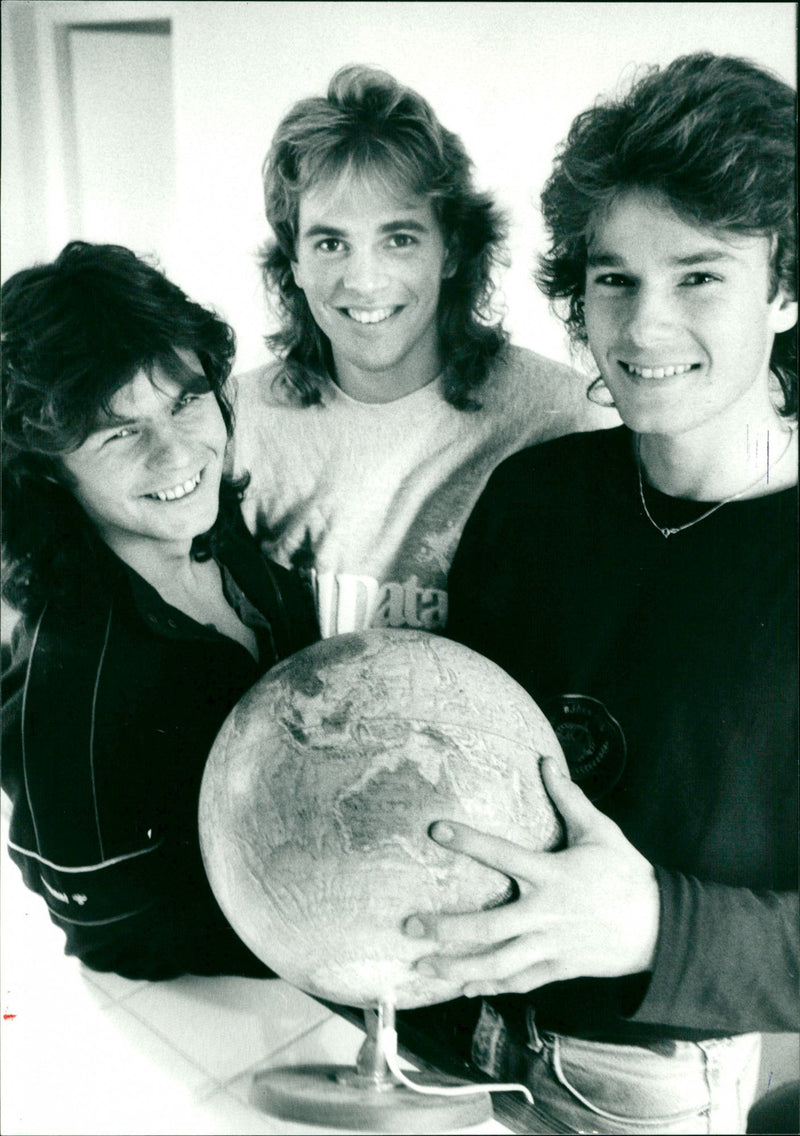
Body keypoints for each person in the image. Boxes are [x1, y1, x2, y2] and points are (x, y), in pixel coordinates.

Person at [401, 53, 798, 1134]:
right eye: (612, 278)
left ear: (786, 285)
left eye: (698, 274)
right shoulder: (534, 494)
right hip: (445, 1022)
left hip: (642, 1080)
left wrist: (652, 928)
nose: (640, 329)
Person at [1, 242, 318, 981]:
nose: (177, 456)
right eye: (119, 432)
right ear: (48, 463)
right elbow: (109, 935)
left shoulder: (219, 530)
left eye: (185, 402)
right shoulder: (68, 681)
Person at [232, 64, 617, 638]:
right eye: (331, 242)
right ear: (294, 262)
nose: (363, 281)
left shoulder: (559, 416)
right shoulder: (240, 421)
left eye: (399, 239)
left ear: (451, 250)